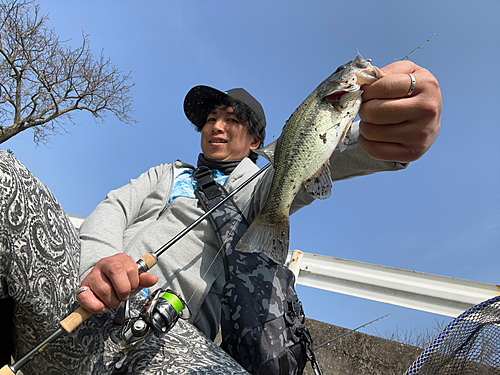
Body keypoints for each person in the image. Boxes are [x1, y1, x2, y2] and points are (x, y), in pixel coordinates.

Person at [0, 60, 441, 374]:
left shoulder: (261, 184)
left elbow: (330, 154)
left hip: (162, 341)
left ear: (255, 142)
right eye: (211, 118)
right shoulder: (168, 172)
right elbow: (115, 207)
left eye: (232, 120)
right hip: (76, 300)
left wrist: (388, 138)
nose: (216, 126)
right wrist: (97, 261)